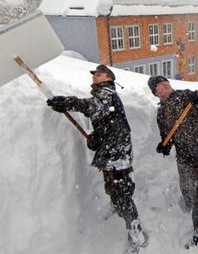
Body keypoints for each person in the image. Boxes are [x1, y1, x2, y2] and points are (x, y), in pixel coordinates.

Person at [47, 64, 148, 254]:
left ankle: (136, 233)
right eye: (94, 75)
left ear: (109, 78)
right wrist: (97, 138)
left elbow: (96, 108)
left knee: (122, 192)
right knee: (112, 188)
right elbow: (105, 121)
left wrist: (69, 103)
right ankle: (117, 206)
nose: (94, 77)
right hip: (111, 149)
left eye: (99, 74)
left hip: (118, 152)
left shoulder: (107, 92)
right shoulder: (102, 93)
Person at [147, 75, 198, 248]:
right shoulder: (161, 112)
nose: (164, 83)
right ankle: (187, 204)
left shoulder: (187, 96)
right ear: (155, 93)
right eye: (158, 84)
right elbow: (167, 136)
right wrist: (165, 145)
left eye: (165, 81)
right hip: (183, 156)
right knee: (185, 185)